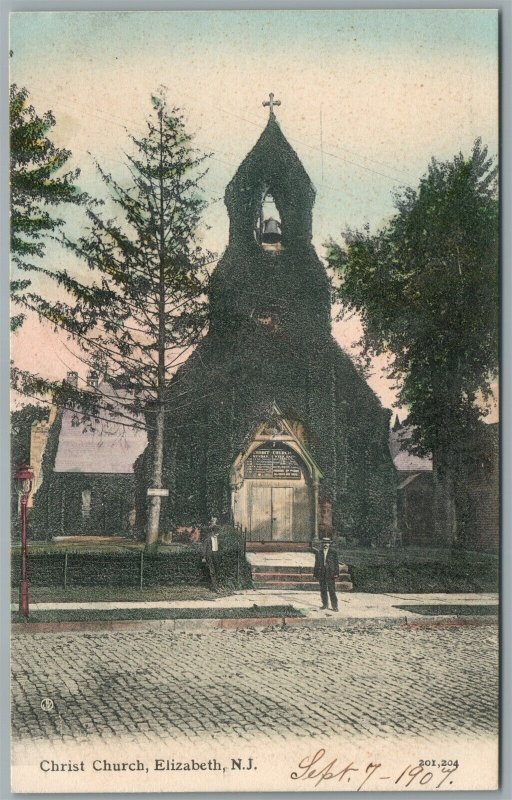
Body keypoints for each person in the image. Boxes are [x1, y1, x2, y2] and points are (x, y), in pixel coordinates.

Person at [313, 536, 339, 611]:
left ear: (329, 544)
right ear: (322, 544)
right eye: (324, 543)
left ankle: (335, 606)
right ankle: (325, 604)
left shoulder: (333, 552)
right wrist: (315, 574)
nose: (326, 544)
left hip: (330, 573)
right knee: (323, 589)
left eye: (327, 543)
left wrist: (336, 573)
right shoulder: (319, 552)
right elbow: (316, 564)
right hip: (322, 573)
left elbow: (336, 564)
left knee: (332, 590)